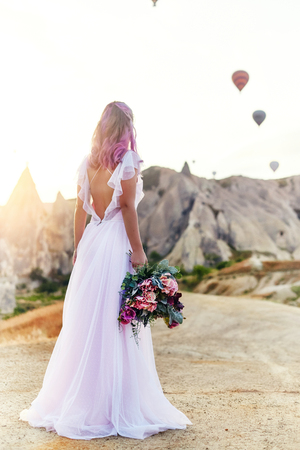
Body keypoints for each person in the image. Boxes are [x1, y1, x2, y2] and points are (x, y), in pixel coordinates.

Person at [20, 101, 191, 440]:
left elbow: (78, 212)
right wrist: (138, 250)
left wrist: (79, 250)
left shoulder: (88, 163)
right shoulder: (126, 160)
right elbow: (127, 207)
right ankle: (115, 403)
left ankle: (83, 399)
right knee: (118, 320)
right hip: (114, 243)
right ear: (126, 128)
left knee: (88, 321)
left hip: (92, 243)